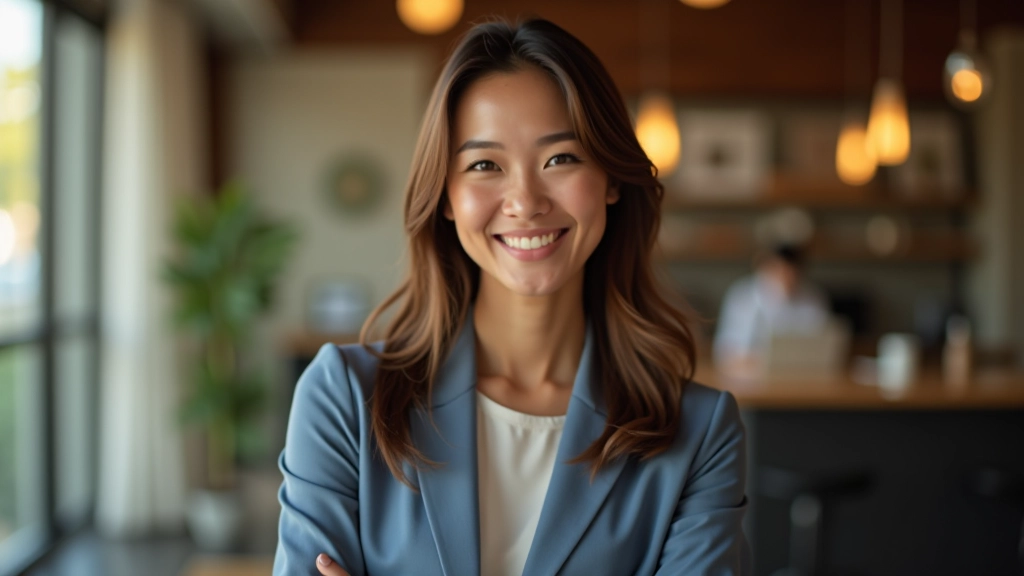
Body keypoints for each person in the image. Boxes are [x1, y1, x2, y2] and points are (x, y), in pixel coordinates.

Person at [274, 18, 751, 576]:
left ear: (612, 180)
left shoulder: (699, 431)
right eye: (484, 165)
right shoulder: (345, 399)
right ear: (446, 197)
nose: (524, 201)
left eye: (561, 159)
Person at [712, 243, 831, 376]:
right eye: (781, 271)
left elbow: (821, 346)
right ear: (767, 267)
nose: (787, 279)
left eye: (793, 273)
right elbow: (727, 352)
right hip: (752, 379)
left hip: (802, 376)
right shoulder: (742, 296)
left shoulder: (813, 296)